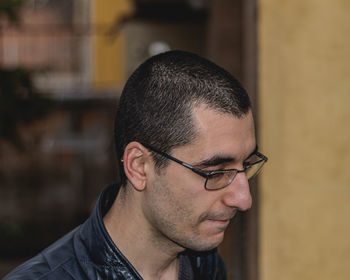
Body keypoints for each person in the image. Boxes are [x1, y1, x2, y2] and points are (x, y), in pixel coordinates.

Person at [4, 50, 267, 280]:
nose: (244, 199)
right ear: (139, 166)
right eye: (215, 171)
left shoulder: (204, 264)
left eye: (245, 165)